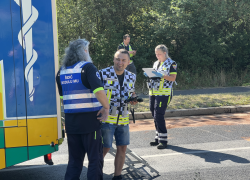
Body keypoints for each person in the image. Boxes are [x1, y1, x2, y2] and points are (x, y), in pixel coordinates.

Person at [56, 39, 109, 180]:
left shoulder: (61, 71)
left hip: (71, 123)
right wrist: (106, 107)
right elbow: (98, 90)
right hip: (90, 122)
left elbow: (63, 95)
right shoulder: (88, 68)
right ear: (84, 51)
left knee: (74, 161)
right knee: (95, 159)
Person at [99, 49, 137, 180]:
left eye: (123, 60)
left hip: (123, 118)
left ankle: (117, 176)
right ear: (114, 59)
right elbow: (95, 95)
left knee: (122, 148)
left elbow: (132, 93)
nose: (120, 62)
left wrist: (134, 99)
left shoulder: (132, 76)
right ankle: (95, 175)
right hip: (107, 118)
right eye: (118, 59)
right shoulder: (102, 73)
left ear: (128, 62)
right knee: (105, 148)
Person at [145, 44, 177, 149]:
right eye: (156, 54)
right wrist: (150, 74)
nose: (157, 56)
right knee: (154, 115)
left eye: (159, 54)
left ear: (165, 53)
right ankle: (158, 138)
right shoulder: (156, 63)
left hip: (164, 93)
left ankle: (163, 141)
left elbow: (173, 78)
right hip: (153, 92)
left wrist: (161, 75)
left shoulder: (172, 63)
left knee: (159, 115)